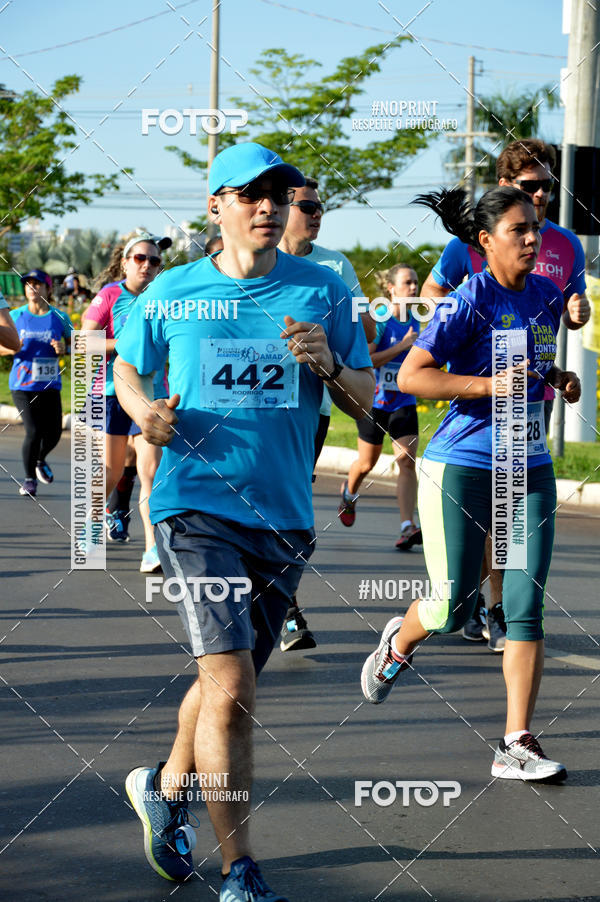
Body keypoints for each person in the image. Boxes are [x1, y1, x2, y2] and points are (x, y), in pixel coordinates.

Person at [114, 141, 374, 901]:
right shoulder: (172, 292)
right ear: (216, 208)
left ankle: (164, 785)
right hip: (197, 507)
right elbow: (126, 367)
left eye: (280, 194)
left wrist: (329, 364)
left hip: (284, 514)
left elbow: (366, 397)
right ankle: (241, 870)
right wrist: (142, 413)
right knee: (232, 684)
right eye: (250, 194)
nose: (269, 206)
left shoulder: (323, 290)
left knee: (227, 680)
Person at [361, 185, 580, 783]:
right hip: (462, 463)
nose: (534, 239)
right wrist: (489, 388)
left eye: (536, 228)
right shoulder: (468, 300)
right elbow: (412, 375)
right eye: (520, 230)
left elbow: (527, 363)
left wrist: (554, 376)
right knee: (454, 607)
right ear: (485, 241)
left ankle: (516, 742)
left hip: (528, 465)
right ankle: (399, 643)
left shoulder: (545, 295)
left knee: (523, 607)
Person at [421, 138, 590, 652]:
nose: (540, 196)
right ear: (504, 188)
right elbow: (433, 302)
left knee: (516, 550)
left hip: (529, 421)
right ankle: (459, 608)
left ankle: (500, 611)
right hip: (473, 422)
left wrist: (566, 348)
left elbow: (566, 309)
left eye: (546, 187)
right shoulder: (467, 254)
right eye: (529, 187)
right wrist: (476, 328)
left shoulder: (563, 245)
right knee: (457, 583)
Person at [277, 175, 373, 651]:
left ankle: (286, 607)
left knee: (292, 507)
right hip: (240, 412)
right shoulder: (246, 262)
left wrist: (326, 339)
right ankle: (274, 605)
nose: (316, 215)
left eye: (320, 209)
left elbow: (364, 332)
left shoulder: (335, 267)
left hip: (307, 411)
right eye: (307, 207)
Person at [82, 230, 172, 571]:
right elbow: (84, 342)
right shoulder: (109, 295)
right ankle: (89, 524)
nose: (147, 265)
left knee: (151, 473)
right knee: (113, 469)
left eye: (154, 261)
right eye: (140, 258)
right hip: (109, 393)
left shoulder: (164, 298)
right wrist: (125, 347)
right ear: (125, 263)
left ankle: (152, 549)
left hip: (152, 395)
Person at [339, 264, 422, 549]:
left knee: (406, 460)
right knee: (366, 463)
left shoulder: (420, 321)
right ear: (392, 289)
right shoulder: (383, 320)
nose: (414, 288)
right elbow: (368, 361)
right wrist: (402, 346)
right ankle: (348, 493)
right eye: (407, 282)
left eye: (416, 282)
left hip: (403, 399)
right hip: (373, 401)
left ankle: (407, 526)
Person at [0, 270, 72, 496]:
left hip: (50, 383)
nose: (32, 288)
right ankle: (29, 479)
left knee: (54, 433)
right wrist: (14, 347)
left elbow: (77, 344)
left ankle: (40, 459)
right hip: (22, 384)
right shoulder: (16, 315)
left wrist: (65, 349)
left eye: (38, 284)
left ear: (48, 289)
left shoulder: (59, 317)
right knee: (33, 431)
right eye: (28, 284)